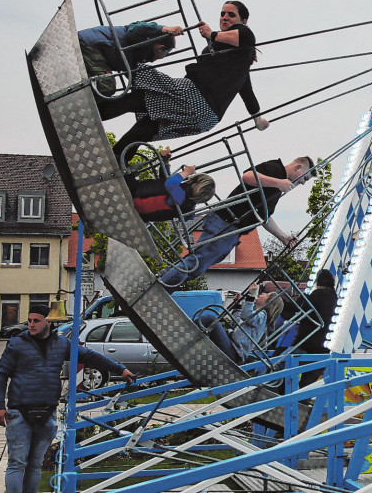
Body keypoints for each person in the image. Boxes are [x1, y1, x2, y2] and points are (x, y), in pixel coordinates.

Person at [95, 1, 270, 167]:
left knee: (140, 94)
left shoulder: (245, 35)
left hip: (195, 98)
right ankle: (117, 160)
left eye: (231, 15)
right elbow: (247, 94)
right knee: (149, 124)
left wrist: (211, 34)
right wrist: (257, 121)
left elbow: (241, 37)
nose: (224, 17)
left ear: (243, 21)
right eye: (222, 14)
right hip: (206, 116)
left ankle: (94, 114)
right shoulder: (239, 66)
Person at [158, 156, 313, 290]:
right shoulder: (275, 169)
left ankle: (163, 281)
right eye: (305, 178)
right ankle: (161, 286)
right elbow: (247, 176)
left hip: (232, 228)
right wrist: (278, 183)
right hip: (225, 222)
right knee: (196, 262)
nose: (303, 183)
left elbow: (264, 216)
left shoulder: (278, 187)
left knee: (199, 264)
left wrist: (283, 237)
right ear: (298, 167)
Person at [0, 305, 69, 493]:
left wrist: (121, 370)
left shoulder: (61, 343)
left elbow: (87, 356)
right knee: (17, 462)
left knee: (35, 465)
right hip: (19, 411)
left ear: (49, 322)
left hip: (47, 411)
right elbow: (1, 374)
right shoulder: (17, 343)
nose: (31, 324)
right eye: (29, 320)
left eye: (36, 320)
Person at [78, 21, 183, 96]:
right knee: (107, 86)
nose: (163, 57)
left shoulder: (139, 55)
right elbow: (135, 28)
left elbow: (132, 73)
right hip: (90, 45)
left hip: (96, 50)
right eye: (166, 53)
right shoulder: (138, 37)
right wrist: (164, 29)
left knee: (107, 88)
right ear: (160, 48)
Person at [196, 284, 284, 364]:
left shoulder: (262, 317)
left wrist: (252, 296)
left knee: (211, 319)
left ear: (269, 302)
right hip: (232, 348)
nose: (263, 293)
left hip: (234, 351)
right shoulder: (258, 316)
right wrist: (238, 306)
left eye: (267, 295)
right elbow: (238, 322)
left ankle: (188, 328)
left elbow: (246, 315)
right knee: (211, 325)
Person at [292, 269, 338, 387]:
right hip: (325, 345)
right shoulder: (335, 297)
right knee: (309, 379)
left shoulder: (317, 295)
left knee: (285, 366)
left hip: (309, 343)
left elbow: (303, 308)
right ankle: (302, 399)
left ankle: (282, 392)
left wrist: (301, 298)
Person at [126, 164, 215, 222]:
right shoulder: (187, 206)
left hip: (134, 194)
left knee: (122, 164)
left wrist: (186, 172)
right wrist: (165, 163)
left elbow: (169, 184)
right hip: (140, 216)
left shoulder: (182, 198)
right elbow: (164, 182)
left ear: (195, 183)